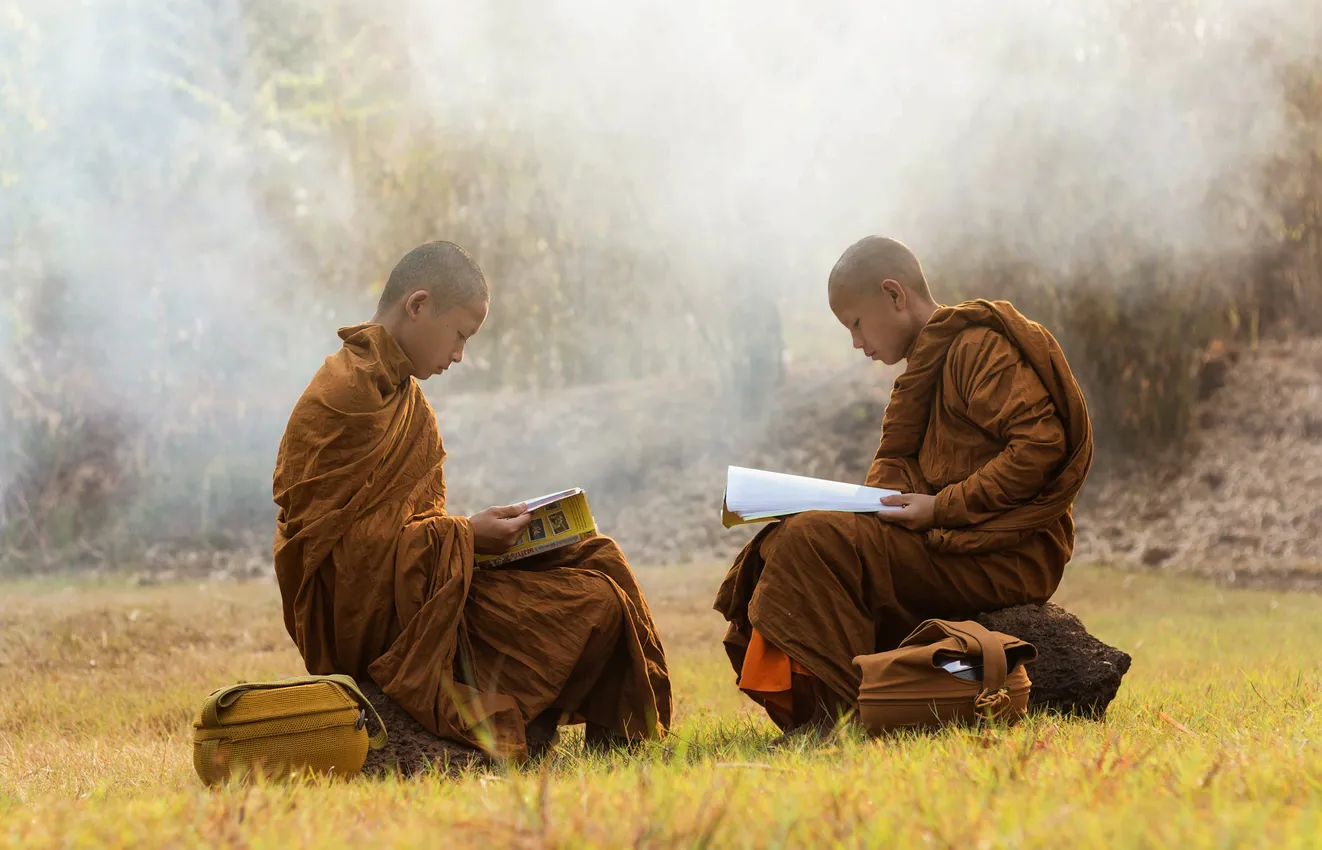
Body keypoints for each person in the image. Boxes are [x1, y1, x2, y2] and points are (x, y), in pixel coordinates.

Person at [273, 241, 672, 760]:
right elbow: (338, 569)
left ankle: (583, 734)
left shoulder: (406, 399)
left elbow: (412, 526)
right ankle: (514, 723)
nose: (459, 355)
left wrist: (490, 542)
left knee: (596, 559)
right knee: (592, 604)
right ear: (418, 306)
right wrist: (465, 536)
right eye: (459, 334)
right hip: (372, 629)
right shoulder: (342, 396)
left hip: (418, 596)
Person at [714, 236, 1093, 733]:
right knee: (786, 537)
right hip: (947, 541)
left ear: (895, 295)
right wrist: (858, 507)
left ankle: (844, 717)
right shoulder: (919, 376)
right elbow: (893, 473)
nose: (856, 343)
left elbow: (1039, 446)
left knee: (812, 541)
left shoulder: (978, 349)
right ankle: (822, 715)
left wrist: (940, 508)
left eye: (855, 323)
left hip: (1006, 549)